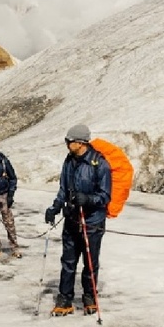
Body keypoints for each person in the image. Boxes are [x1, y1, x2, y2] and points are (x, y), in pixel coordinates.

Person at [44, 124, 111, 316]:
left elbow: (105, 196)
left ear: (80, 143)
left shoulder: (100, 164)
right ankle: (65, 298)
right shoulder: (69, 161)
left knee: (90, 261)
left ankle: (89, 295)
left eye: (69, 140)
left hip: (92, 221)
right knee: (68, 260)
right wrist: (55, 207)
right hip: (72, 218)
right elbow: (64, 189)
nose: (66, 143)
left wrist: (88, 199)